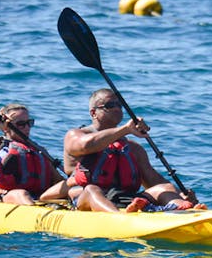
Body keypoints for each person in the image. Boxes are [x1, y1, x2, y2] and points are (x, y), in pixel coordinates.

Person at [63, 89, 201, 212]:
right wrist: (126, 129)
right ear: (94, 113)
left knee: (166, 188)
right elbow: (85, 145)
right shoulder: (75, 135)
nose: (117, 109)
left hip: (127, 199)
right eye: (110, 105)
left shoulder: (133, 149)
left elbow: (154, 181)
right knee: (92, 190)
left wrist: (180, 194)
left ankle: (186, 210)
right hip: (85, 198)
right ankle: (119, 218)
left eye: (119, 105)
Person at [0, 103, 69, 204]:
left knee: (71, 184)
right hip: (11, 195)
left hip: (41, 196)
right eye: (21, 124)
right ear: (6, 127)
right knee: (22, 194)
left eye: (29, 123)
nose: (27, 127)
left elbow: (57, 179)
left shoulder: (38, 150)